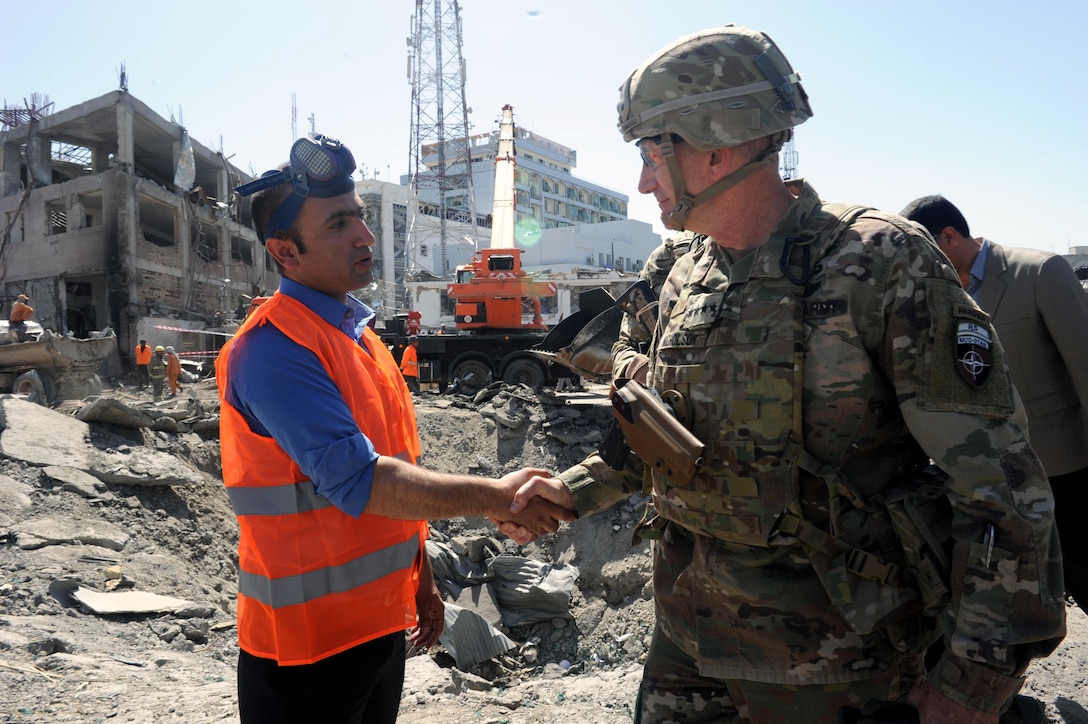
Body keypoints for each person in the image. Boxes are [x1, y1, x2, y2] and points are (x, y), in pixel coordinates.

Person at [510, 25, 1064, 723]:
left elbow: (1002, 485)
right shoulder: (675, 274)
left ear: (717, 144)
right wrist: (569, 490)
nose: (644, 178)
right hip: (688, 645)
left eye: (654, 150)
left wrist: (973, 682)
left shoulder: (882, 262)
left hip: (843, 667)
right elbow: (656, 436)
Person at [219, 133, 575, 724]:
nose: (363, 235)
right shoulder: (273, 351)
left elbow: (395, 475)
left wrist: (422, 579)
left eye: (358, 215)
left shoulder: (359, 339)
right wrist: (497, 495)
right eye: (337, 224)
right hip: (303, 653)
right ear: (284, 251)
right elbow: (362, 480)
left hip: (378, 631)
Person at [901, 195, 1088, 613]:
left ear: (949, 236)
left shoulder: (1038, 272)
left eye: (923, 250)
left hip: (1064, 470)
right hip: (989, 478)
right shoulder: (935, 295)